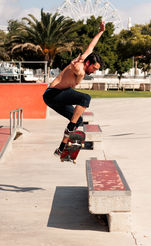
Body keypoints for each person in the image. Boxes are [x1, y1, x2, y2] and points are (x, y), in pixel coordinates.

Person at [43, 21, 105, 157]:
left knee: (79, 120)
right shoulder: (79, 67)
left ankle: (61, 149)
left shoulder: (86, 57)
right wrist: (73, 65)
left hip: (57, 97)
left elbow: (91, 46)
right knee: (85, 98)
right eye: (94, 68)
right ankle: (70, 128)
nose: (94, 72)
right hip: (53, 94)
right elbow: (74, 67)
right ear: (88, 63)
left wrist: (101, 31)